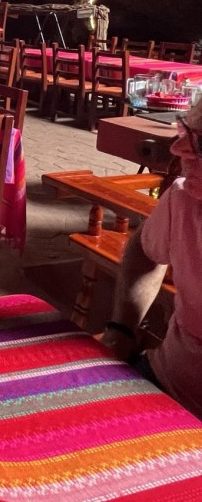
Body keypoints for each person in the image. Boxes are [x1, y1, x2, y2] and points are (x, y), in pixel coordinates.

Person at [100, 99, 202, 419]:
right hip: (163, 381)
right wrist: (122, 329)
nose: (177, 149)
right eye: (188, 133)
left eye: (200, 144)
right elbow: (143, 253)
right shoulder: (184, 200)